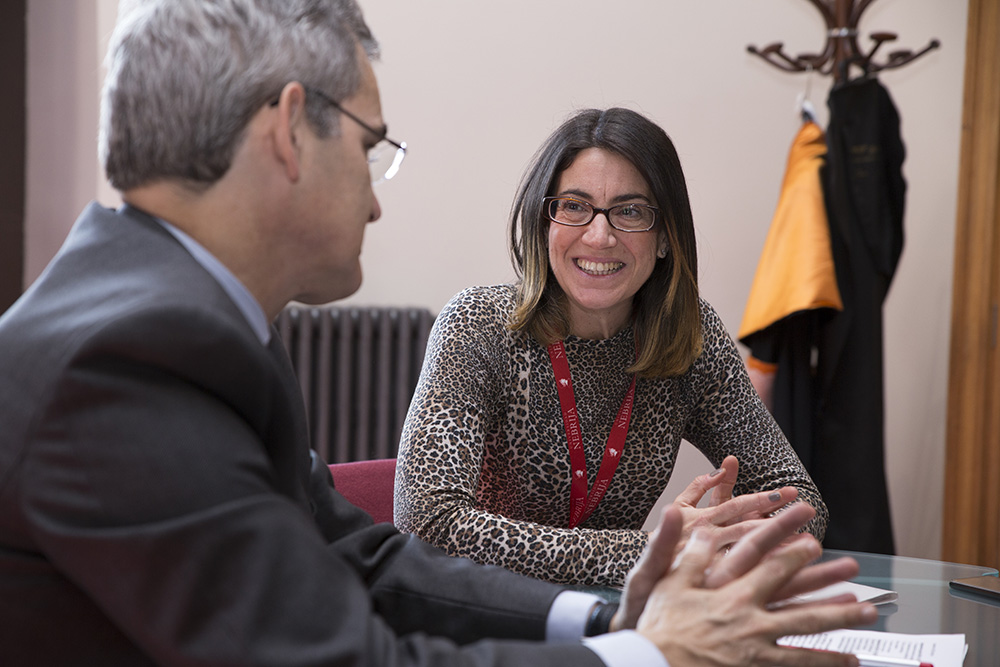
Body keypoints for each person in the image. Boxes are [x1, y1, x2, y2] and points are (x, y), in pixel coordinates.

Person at [0, 1, 875, 665]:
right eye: (370, 147)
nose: (376, 200)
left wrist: (617, 615)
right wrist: (646, 651)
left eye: (630, 213)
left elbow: (365, 557)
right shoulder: (131, 360)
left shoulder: (191, 329)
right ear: (289, 134)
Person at [395, 107, 828, 587]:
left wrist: (733, 537)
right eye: (574, 206)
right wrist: (648, 551)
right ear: (544, 222)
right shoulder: (478, 325)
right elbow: (426, 523)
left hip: (614, 618)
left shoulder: (690, 337)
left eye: (630, 212)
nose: (599, 236)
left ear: (665, 238)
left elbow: (800, 500)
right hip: (481, 612)